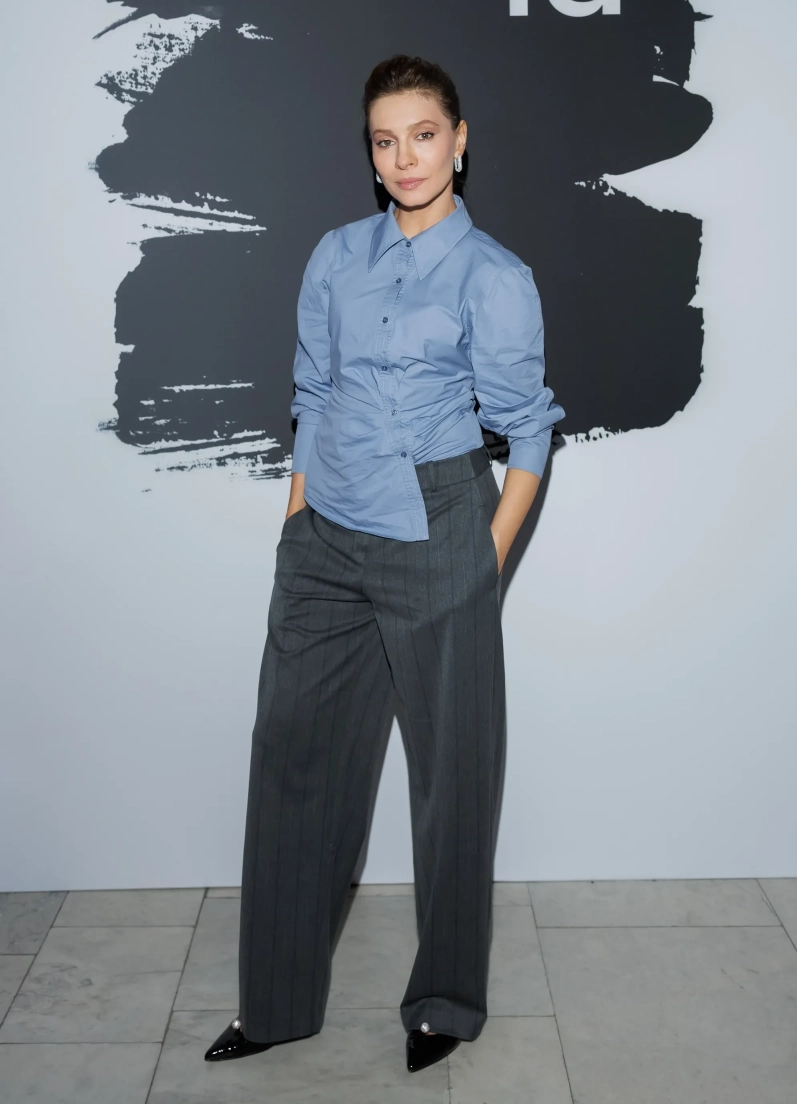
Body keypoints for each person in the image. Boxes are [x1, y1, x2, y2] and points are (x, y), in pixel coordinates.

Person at [205, 53, 565, 1075]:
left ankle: (444, 1004)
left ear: (459, 142)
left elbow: (528, 432)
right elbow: (312, 395)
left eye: (424, 134)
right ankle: (276, 1005)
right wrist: (295, 524)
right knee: (292, 762)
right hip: (324, 536)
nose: (405, 157)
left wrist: (481, 561)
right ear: (370, 153)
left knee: (453, 783)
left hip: (440, 525)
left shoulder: (494, 277)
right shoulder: (335, 255)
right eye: (385, 139)